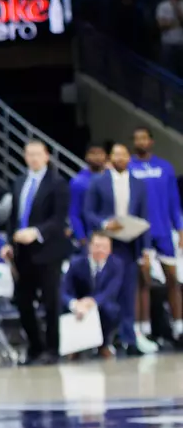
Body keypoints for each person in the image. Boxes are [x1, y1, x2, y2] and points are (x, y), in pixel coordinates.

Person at [7, 141, 73, 366]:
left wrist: (36, 232)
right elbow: (14, 216)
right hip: (22, 252)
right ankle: (35, 346)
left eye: (37, 154)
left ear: (46, 156)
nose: (33, 158)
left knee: (50, 301)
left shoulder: (57, 183)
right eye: (29, 154)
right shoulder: (19, 182)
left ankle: (53, 349)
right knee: (23, 301)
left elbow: (58, 219)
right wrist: (9, 241)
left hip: (48, 250)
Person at [82, 143, 150, 354]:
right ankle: (103, 340)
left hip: (129, 243)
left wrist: (146, 249)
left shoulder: (138, 184)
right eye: (116, 155)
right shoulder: (98, 182)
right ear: (110, 158)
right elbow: (88, 212)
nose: (120, 158)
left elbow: (144, 216)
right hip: (106, 242)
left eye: (123, 155)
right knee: (106, 291)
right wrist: (104, 223)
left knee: (128, 292)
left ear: (129, 158)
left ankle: (128, 339)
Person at [128, 127, 181, 343]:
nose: (140, 142)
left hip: (164, 232)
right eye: (136, 138)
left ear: (151, 141)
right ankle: (143, 330)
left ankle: (179, 327)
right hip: (141, 233)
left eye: (144, 138)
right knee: (143, 282)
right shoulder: (128, 167)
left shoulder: (165, 167)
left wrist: (180, 228)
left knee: (173, 280)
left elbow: (174, 200)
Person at [62, 231, 125, 357]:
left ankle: (104, 344)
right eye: (97, 246)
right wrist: (74, 303)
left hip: (100, 304)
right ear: (89, 246)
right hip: (79, 304)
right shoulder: (76, 263)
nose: (100, 250)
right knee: (62, 305)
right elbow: (64, 290)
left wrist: (92, 302)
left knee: (111, 310)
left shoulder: (116, 265)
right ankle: (74, 347)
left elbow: (111, 291)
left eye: (104, 247)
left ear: (110, 249)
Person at [68, 144, 106, 243]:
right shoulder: (78, 182)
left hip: (109, 233)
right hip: (88, 234)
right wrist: (81, 237)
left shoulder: (110, 178)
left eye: (100, 154)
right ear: (87, 157)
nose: (97, 157)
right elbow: (74, 213)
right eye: (93, 154)